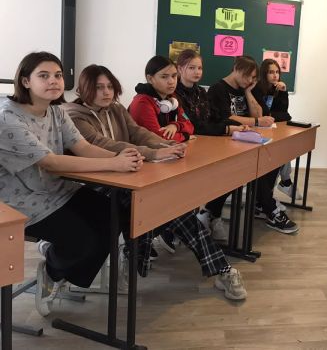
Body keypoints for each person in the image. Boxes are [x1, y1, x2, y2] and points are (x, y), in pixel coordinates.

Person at [67, 63, 246, 300]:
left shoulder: (116, 109)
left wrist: (167, 145)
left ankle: (136, 256)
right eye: (99, 87)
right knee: (164, 207)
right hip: (95, 185)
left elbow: (138, 132)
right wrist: (154, 153)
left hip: (128, 175)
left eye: (109, 86)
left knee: (170, 207)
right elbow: (104, 144)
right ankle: (219, 268)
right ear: (84, 89)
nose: (107, 92)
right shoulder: (73, 116)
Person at [0, 52, 144, 316]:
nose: (53, 81)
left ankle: (64, 268)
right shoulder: (8, 118)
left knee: (116, 214)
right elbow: (51, 163)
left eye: (57, 75)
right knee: (82, 239)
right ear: (25, 81)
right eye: (44, 76)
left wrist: (121, 158)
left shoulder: (57, 111)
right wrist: (114, 164)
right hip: (19, 202)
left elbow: (82, 147)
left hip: (58, 190)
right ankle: (53, 270)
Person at [208, 55, 299, 234]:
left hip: (246, 141)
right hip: (224, 143)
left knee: (272, 159)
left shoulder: (245, 88)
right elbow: (227, 118)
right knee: (255, 168)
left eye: (254, 78)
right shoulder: (218, 89)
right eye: (248, 76)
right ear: (236, 69)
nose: (250, 81)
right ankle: (269, 209)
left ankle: (263, 205)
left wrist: (249, 92)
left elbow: (261, 113)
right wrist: (256, 121)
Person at [174, 50, 248, 240]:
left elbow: (214, 116)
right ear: (180, 69)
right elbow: (195, 126)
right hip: (186, 149)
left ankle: (211, 214)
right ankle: (183, 225)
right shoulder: (174, 95)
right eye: (191, 68)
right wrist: (226, 129)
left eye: (199, 68)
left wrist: (236, 125)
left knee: (233, 171)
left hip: (206, 144)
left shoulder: (201, 92)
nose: (197, 72)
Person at [128, 55, 195, 252]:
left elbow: (190, 124)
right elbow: (158, 138)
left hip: (168, 158)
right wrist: (185, 136)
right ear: (150, 79)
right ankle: (147, 239)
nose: (171, 81)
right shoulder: (142, 102)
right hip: (145, 163)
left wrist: (176, 126)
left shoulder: (172, 100)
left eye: (174, 76)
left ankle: (166, 230)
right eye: (164, 77)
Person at [252, 58, 301, 207]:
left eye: (277, 72)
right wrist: (273, 115)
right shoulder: (257, 89)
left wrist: (284, 92)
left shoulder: (277, 89)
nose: (275, 75)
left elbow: (285, 114)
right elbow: (264, 114)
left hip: (272, 130)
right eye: (271, 72)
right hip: (257, 131)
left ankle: (280, 186)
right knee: (278, 151)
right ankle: (282, 184)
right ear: (264, 74)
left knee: (284, 148)